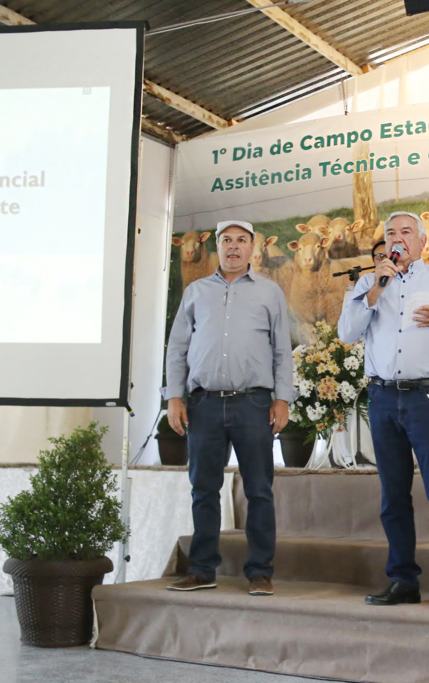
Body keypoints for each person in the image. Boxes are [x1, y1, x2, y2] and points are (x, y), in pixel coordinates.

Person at [338, 211, 429, 612]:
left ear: (423, 241)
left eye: (405, 232)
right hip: (383, 400)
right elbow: (346, 334)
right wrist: (374, 292)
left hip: (428, 399)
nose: (397, 239)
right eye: (390, 233)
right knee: (393, 496)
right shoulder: (369, 282)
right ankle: (403, 580)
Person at [164, 219, 293, 596]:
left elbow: (282, 351)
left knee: (258, 490)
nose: (233, 247)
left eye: (241, 240)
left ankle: (260, 572)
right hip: (203, 404)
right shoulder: (195, 292)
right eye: (226, 240)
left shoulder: (270, 293)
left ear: (253, 248)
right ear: (217, 247)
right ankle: (202, 569)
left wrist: (282, 399)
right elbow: (177, 348)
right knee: (203, 489)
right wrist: (174, 396)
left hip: (254, 403)